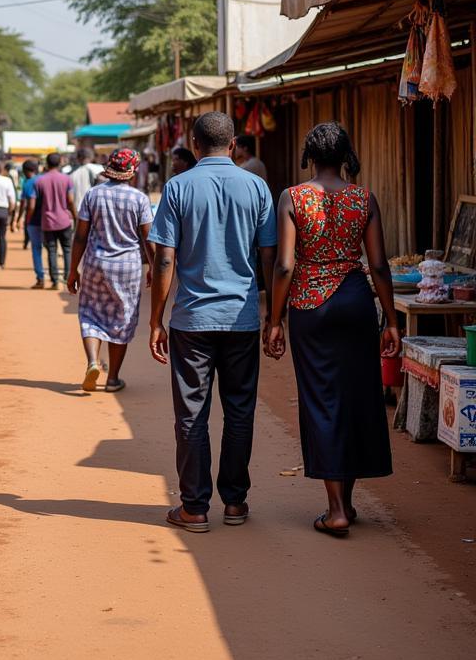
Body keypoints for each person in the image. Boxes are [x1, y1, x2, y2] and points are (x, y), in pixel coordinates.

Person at [266, 123, 398, 537]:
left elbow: (284, 265)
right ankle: (349, 502)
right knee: (358, 396)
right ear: (346, 156)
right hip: (357, 301)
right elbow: (378, 264)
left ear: (310, 154)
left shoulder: (293, 196)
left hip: (310, 306)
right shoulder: (364, 197)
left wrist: (274, 320)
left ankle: (337, 509)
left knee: (322, 399)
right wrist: (392, 320)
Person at [147, 111, 276, 533]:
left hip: (192, 320)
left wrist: (156, 320)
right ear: (235, 143)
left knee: (191, 415)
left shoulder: (179, 186)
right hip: (241, 318)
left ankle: (195, 507)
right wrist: (274, 315)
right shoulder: (256, 186)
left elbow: (164, 257)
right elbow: (270, 257)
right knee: (240, 412)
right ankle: (235, 503)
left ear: (195, 145)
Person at [68, 149, 155, 393]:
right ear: (133, 171)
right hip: (128, 267)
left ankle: (93, 362)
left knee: (90, 313)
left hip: (96, 264)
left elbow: (80, 236)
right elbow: (148, 239)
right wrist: (154, 268)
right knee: (122, 318)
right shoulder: (139, 199)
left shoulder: (92, 195)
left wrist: (73, 269)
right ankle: (113, 378)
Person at [32, 152, 77, 290]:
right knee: (67, 249)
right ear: (60, 163)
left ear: (46, 163)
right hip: (64, 220)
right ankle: (68, 277)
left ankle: (55, 281)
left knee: (51, 250)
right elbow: (70, 201)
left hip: (47, 221)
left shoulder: (39, 181)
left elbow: (34, 204)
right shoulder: (66, 179)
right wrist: (75, 216)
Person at [20, 159, 45, 288]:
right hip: (49, 220)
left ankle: (40, 278)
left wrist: (26, 219)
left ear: (25, 171)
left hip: (34, 221)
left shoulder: (28, 183)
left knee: (36, 249)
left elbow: (28, 205)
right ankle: (56, 278)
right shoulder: (44, 179)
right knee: (52, 249)